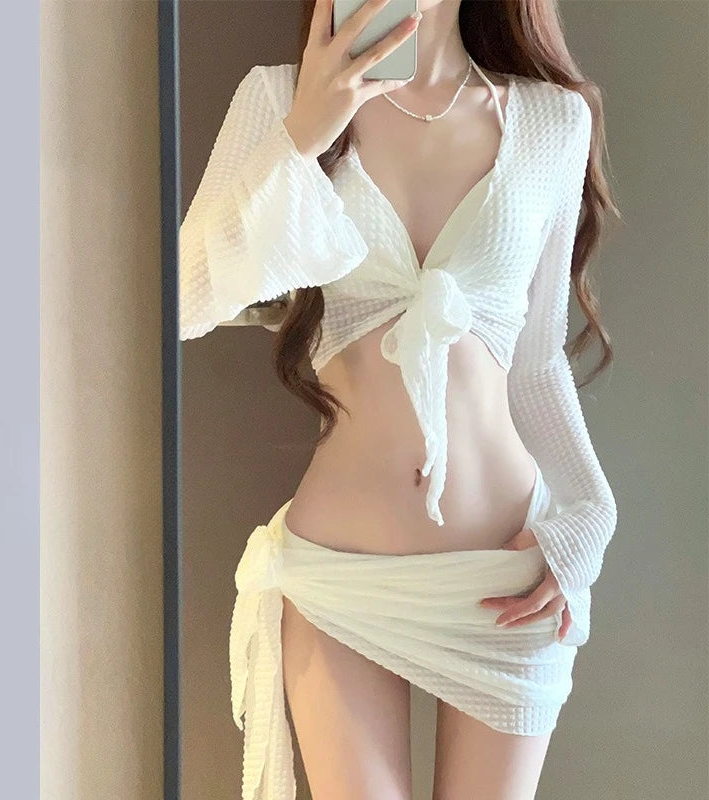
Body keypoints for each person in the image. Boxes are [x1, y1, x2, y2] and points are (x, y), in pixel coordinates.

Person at [180, 0, 620, 797]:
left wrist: (591, 515)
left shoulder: (552, 121)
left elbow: (535, 363)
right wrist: (301, 136)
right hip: (340, 572)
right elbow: (184, 299)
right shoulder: (278, 98)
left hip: (508, 571)